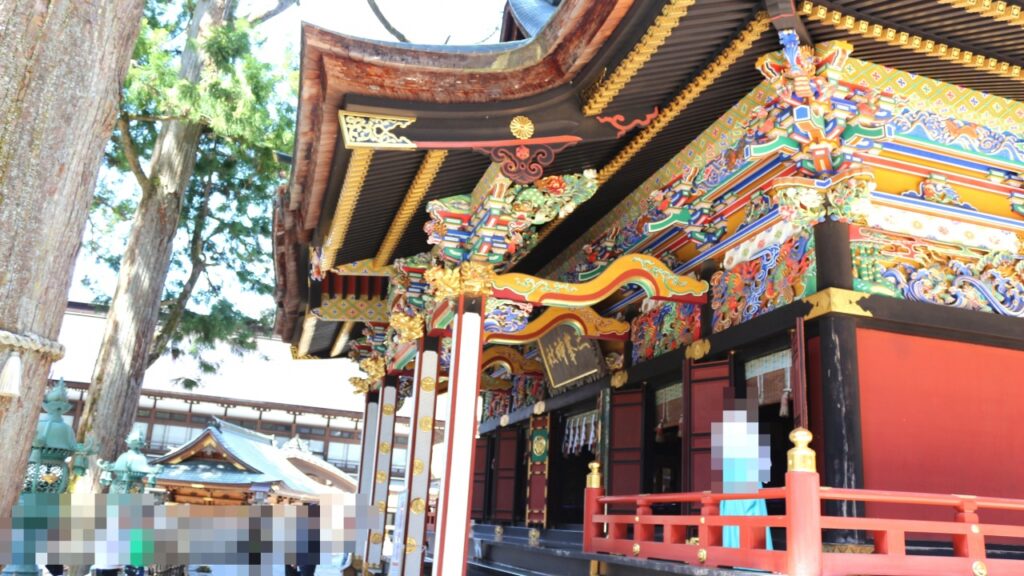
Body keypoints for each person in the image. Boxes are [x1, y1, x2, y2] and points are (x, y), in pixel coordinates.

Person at [711, 397, 773, 550]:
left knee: (734, 523)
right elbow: (765, 475)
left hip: (732, 492)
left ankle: (734, 554)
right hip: (750, 490)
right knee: (752, 521)